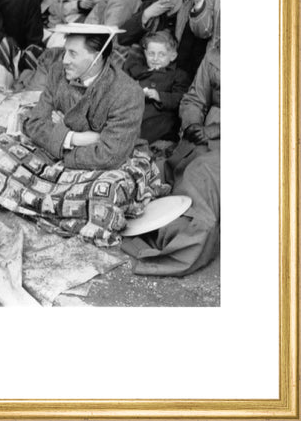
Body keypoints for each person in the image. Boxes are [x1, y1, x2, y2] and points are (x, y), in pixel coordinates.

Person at [123, 43, 220, 276]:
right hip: (204, 135)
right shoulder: (216, 53)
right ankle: (139, 224)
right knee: (159, 169)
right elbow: (194, 98)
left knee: (199, 174)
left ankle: (183, 243)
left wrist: (215, 130)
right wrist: (192, 123)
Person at [24, 24, 144, 170]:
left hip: (101, 168)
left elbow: (109, 156)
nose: (64, 60)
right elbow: (34, 124)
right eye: (65, 51)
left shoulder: (127, 93)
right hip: (69, 155)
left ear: (97, 58)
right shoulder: (57, 72)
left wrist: (58, 136)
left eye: (73, 54)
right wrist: (76, 138)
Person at [118, 0, 209, 80]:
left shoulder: (193, 16)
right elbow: (122, 38)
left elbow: (192, 61)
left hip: (174, 82)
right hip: (141, 75)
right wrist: (146, 15)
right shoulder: (148, 7)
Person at [123, 30, 190, 142]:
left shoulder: (178, 75)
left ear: (173, 56)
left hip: (160, 117)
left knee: (151, 126)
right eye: (151, 54)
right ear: (145, 54)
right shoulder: (139, 69)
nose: (155, 59)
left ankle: (132, 141)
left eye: (161, 54)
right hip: (134, 111)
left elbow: (181, 98)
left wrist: (159, 96)